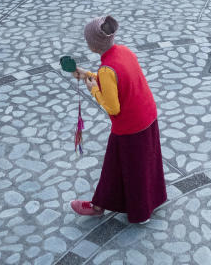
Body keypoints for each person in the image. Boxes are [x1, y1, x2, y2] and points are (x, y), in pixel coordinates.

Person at [69, 16, 167, 223]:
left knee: (132, 168)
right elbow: (118, 78)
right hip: (147, 115)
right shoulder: (124, 51)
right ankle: (104, 204)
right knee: (135, 163)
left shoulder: (106, 70)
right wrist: (89, 74)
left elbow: (113, 107)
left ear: (93, 46)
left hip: (130, 126)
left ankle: (140, 213)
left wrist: (93, 89)